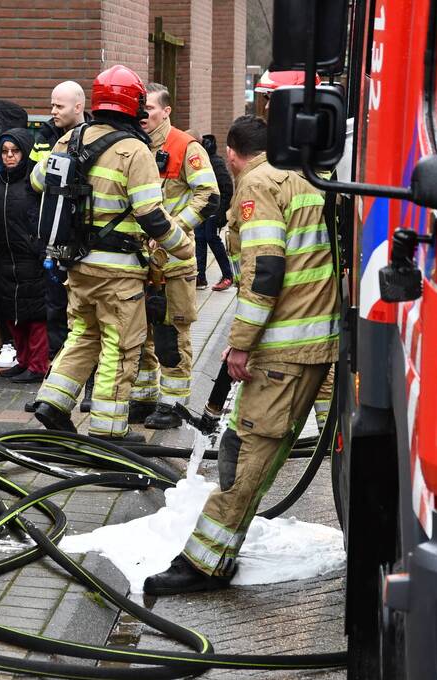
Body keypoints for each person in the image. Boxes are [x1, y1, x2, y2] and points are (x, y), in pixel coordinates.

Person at [144, 115, 339, 594]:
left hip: (281, 348)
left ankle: (204, 563)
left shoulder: (258, 184)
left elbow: (265, 271)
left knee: (245, 451)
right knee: (264, 453)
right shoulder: (311, 177)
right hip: (318, 340)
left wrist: (240, 343)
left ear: (232, 153)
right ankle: (216, 553)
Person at [29, 65, 194, 443]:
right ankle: (108, 432)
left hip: (77, 266)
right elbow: (151, 214)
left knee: (83, 335)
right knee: (119, 348)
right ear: (133, 105)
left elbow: (39, 180)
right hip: (118, 274)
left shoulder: (71, 138)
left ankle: (51, 403)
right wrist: (181, 246)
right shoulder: (135, 150)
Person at [128, 83, 220, 430]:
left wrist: (174, 230)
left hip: (174, 263)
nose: (144, 115)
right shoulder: (134, 146)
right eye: (141, 109)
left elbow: (208, 195)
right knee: (141, 333)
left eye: (150, 108)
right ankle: (144, 398)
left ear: (166, 110)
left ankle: (174, 405)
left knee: (171, 334)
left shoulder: (185, 146)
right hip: (139, 261)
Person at [29, 81, 96, 411]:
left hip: (83, 245)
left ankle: (91, 390)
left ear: (79, 106)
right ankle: (54, 391)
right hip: (55, 242)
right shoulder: (49, 138)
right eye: (52, 105)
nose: (53, 111)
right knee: (55, 314)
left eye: (59, 106)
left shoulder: (92, 140)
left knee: (84, 321)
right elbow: (36, 181)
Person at [0, 128, 49, 383]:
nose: (8, 157)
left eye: (14, 152)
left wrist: (38, 246)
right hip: (4, 255)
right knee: (14, 313)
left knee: (35, 315)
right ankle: (23, 361)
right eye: (4, 152)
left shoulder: (31, 182)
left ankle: (37, 365)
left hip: (30, 256)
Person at [0, 95, 29, 369]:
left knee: (4, 290)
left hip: (8, 237)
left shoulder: (0, 160)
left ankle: (11, 344)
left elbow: (17, 114)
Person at [193, 132, 235, 292]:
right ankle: (200, 277)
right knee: (200, 239)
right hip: (200, 210)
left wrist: (220, 213)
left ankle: (228, 275)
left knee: (212, 238)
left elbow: (227, 188)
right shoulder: (200, 160)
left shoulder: (215, 162)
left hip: (212, 211)